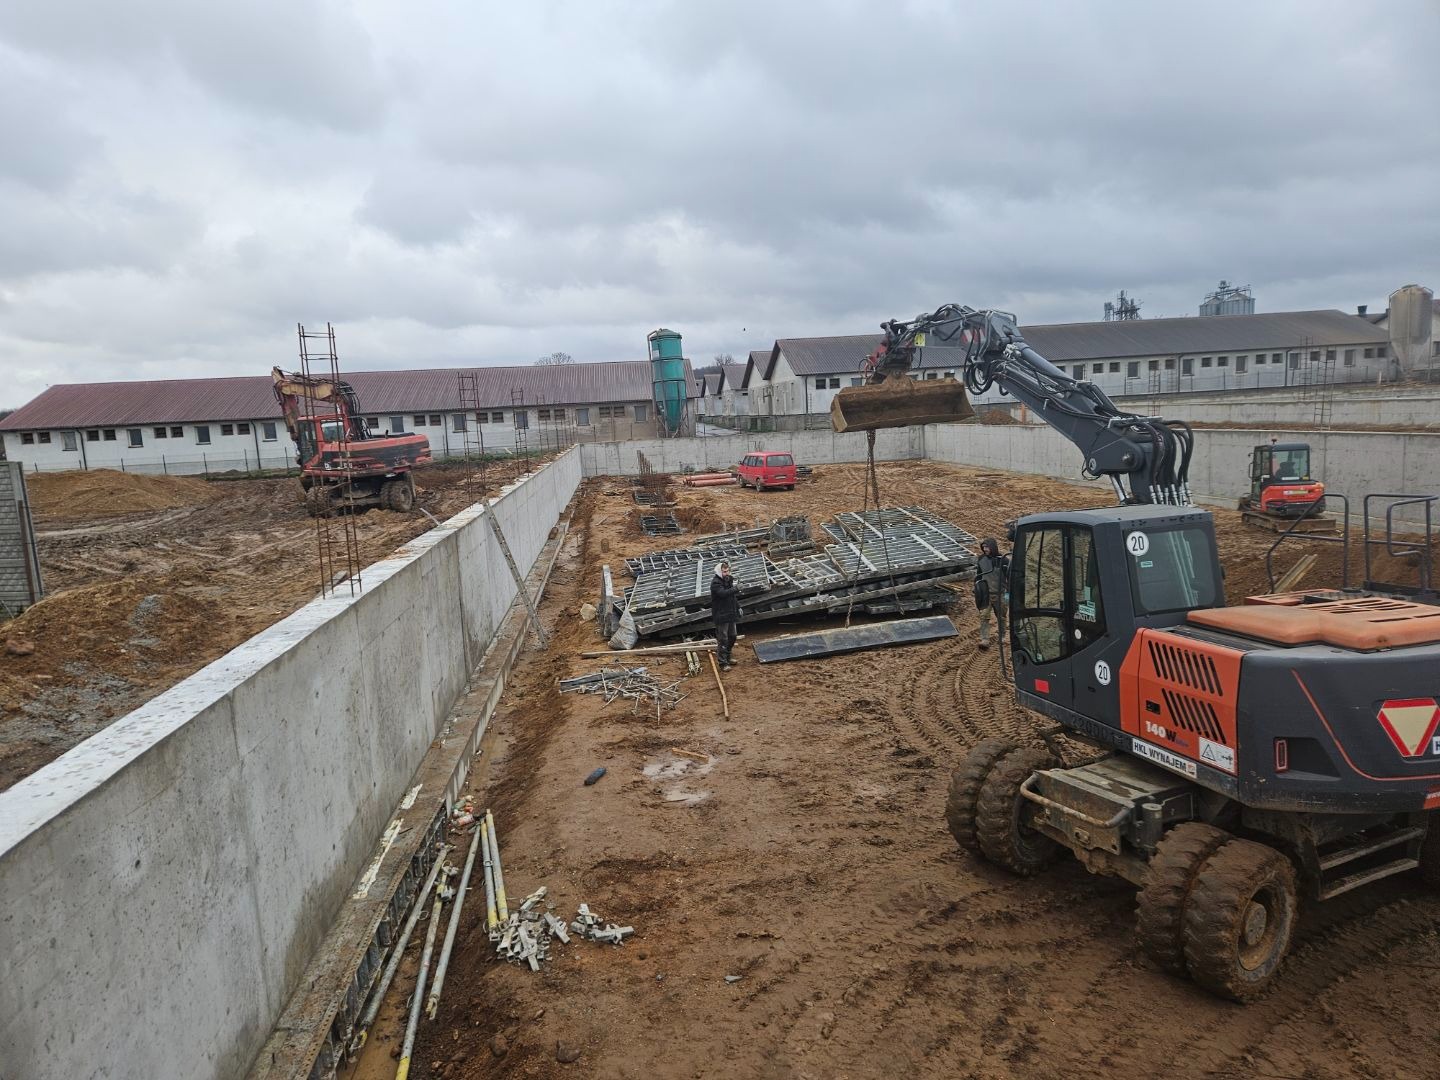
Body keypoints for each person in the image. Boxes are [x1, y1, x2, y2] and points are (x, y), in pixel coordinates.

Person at [975, 537, 1008, 650]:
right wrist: (977, 588)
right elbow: (978, 575)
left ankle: (1002, 636)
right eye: (983, 547)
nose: (985, 549)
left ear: (993, 547)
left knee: (1001, 616)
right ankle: (985, 639)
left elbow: (1009, 577)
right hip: (986, 594)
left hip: (1000, 593)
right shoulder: (981, 559)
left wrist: (1008, 593)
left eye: (987, 547)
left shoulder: (1003, 560)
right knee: (984, 616)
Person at [710, 560, 741, 669]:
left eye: (727, 571)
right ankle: (723, 663)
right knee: (723, 639)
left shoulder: (728, 580)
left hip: (730, 612)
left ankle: (728, 657)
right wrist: (735, 589)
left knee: (732, 636)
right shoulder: (715, 583)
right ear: (719, 572)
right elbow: (723, 594)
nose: (726, 573)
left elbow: (732, 597)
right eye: (724, 572)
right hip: (721, 614)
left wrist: (738, 607)